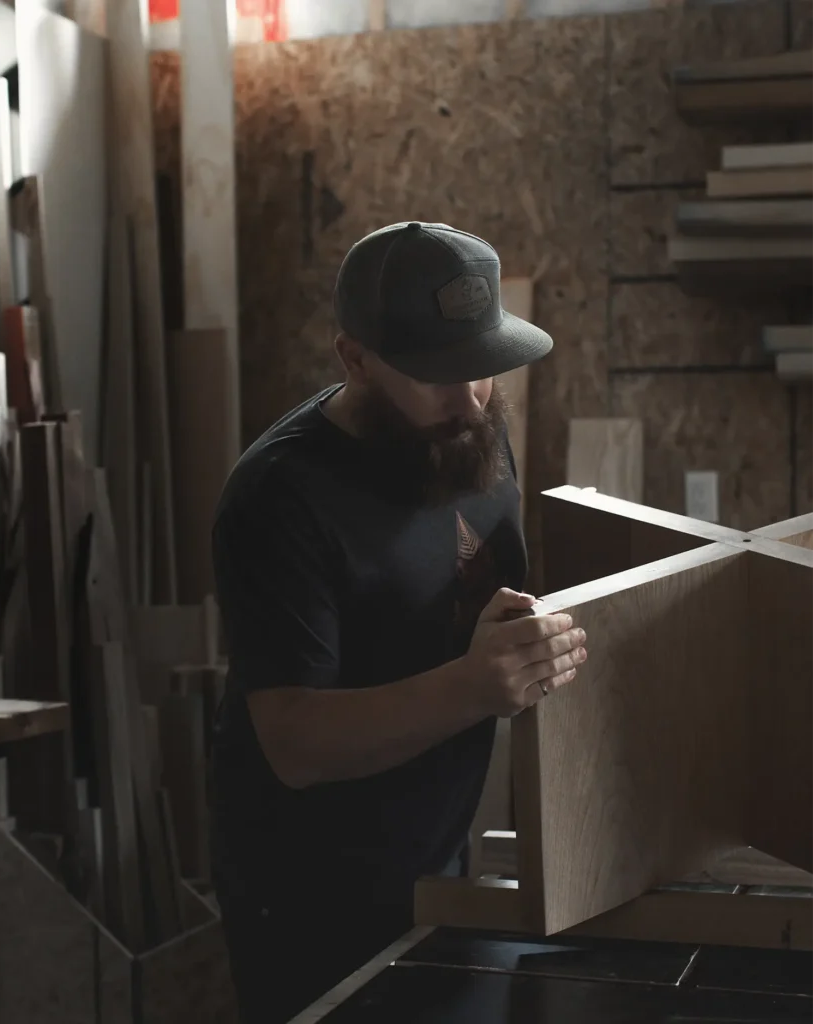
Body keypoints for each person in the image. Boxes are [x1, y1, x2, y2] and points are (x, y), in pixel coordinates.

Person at [209, 221, 589, 1023]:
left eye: (483, 369)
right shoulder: (280, 498)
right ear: (354, 358)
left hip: (438, 865)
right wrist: (473, 686)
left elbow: (456, 589)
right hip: (312, 899)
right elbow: (295, 744)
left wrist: (517, 632)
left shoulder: (471, 431)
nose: (471, 397)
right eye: (437, 374)